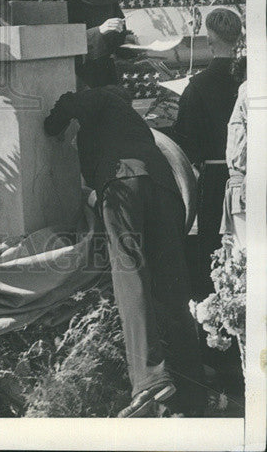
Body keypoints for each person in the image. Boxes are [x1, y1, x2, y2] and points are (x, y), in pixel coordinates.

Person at [43, 87, 205, 417]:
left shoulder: (101, 97)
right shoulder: (132, 122)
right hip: (165, 191)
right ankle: (194, 391)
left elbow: (68, 104)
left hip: (124, 184)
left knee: (130, 275)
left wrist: (54, 123)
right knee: (172, 288)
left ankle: (149, 378)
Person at [169, 7, 243, 298]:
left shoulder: (198, 85)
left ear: (210, 40)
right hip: (252, 174)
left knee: (214, 245)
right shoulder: (252, 77)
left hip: (215, 177)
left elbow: (187, 141)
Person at [222, 79, 247, 250]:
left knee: (244, 251)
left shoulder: (250, 88)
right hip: (240, 183)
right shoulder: (247, 88)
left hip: (244, 181)